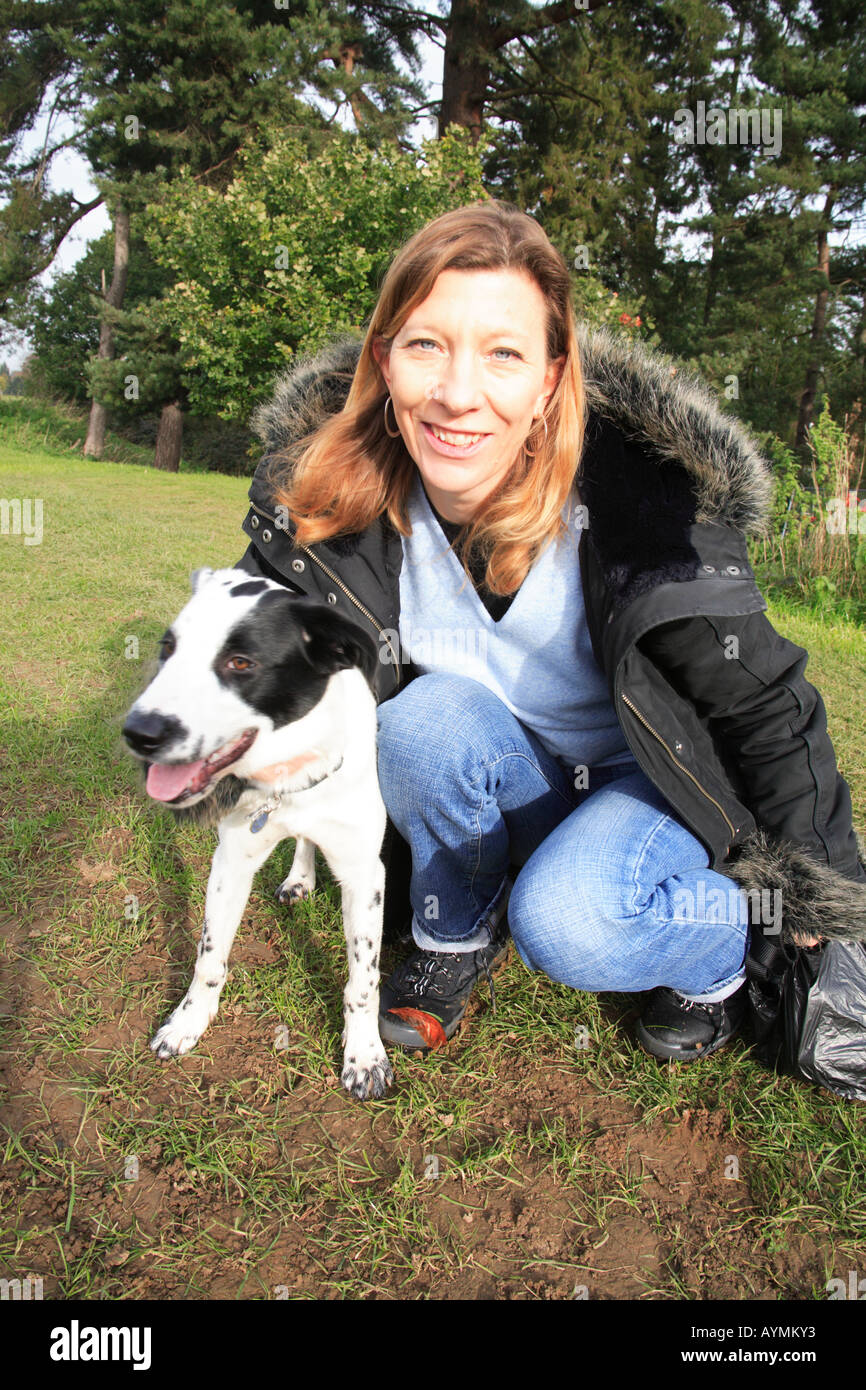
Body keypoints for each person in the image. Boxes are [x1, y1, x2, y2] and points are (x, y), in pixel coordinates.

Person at [235, 199, 866, 1065]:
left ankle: (712, 960)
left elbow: (764, 701)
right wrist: (252, 728)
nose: (458, 394)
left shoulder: (646, 509)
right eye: (426, 345)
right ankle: (452, 933)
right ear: (384, 360)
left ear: (549, 378)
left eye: (502, 353)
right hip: (509, 774)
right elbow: (261, 632)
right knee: (419, 723)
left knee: (567, 923)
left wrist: (815, 890)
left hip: (644, 785)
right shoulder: (338, 498)